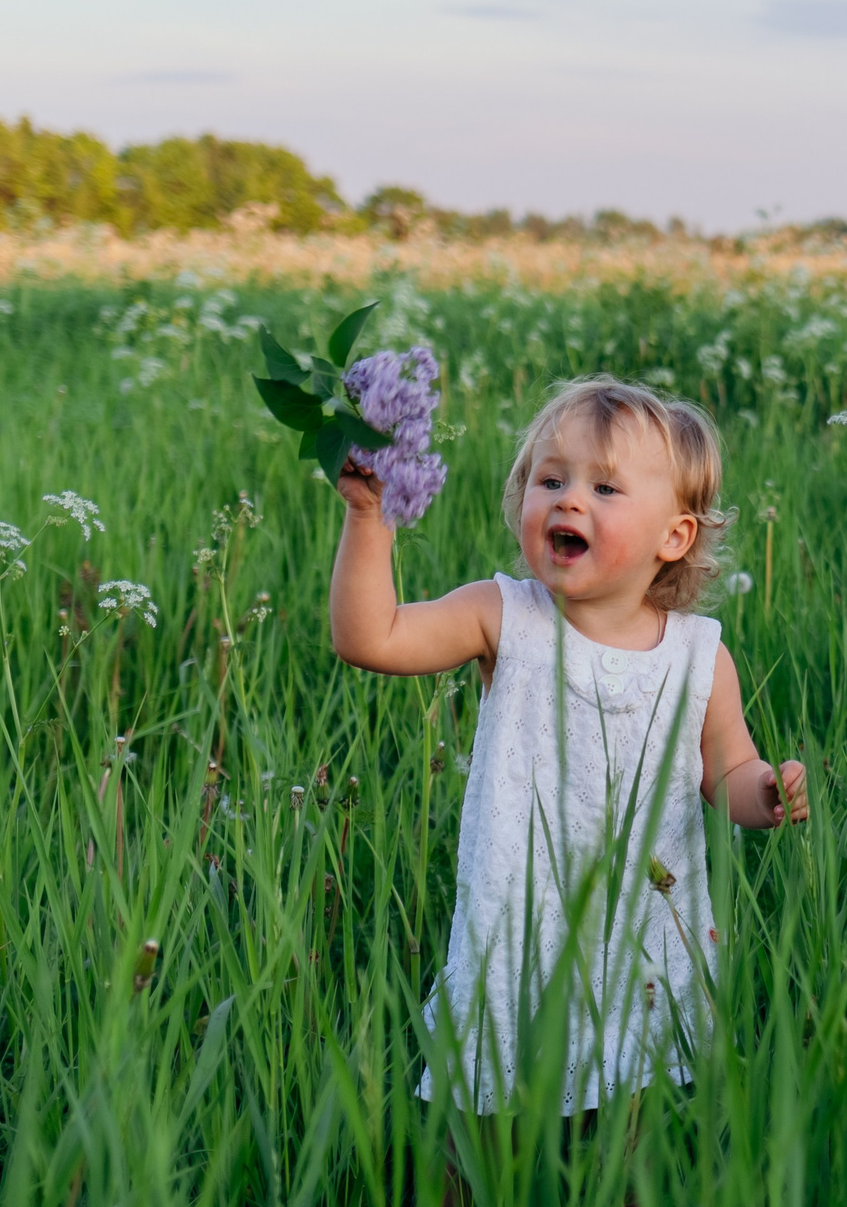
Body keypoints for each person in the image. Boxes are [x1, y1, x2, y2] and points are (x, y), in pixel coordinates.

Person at [330, 375, 808, 1117]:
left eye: (605, 489)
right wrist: (370, 517)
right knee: (481, 1137)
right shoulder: (504, 618)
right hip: (513, 941)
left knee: (628, 1140)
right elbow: (372, 639)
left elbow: (729, 771)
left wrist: (768, 793)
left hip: (641, 948)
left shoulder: (699, 657)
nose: (569, 499)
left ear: (674, 536)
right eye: (549, 479)